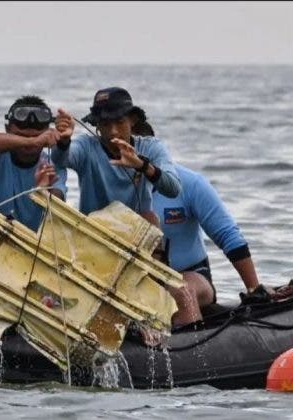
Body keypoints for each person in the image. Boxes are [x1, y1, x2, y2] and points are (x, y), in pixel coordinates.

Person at [133, 121, 261, 326]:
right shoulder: (110, 190)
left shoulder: (190, 183)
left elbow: (228, 236)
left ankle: (194, 352)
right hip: (132, 282)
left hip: (191, 276)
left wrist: (254, 289)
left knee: (180, 290)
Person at [52, 86, 181, 228]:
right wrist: (64, 141)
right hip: (94, 232)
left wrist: (142, 165)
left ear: (132, 120)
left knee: (150, 218)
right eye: (105, 124)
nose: (113, 131)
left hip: (136, 233)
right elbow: (60, 160)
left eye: (120, 122)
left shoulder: (151, 147)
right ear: (97, 125)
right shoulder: (86, 147)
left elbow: (173, 189)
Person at [0, 95, 67, 231]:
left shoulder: (52, 165)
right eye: (21, 136)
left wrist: (44, 192)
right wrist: (34, 141)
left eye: (36, 135)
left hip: (26, 245)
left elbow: (60, 205)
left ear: (48, 132)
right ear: (7, 129)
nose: (30, 142)